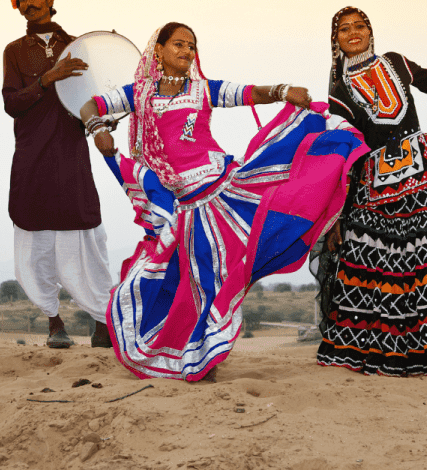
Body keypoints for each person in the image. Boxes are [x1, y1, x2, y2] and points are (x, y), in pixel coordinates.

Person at [80, 22, 368, 381]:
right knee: (182, 280)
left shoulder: (203, 90)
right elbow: (89, 105)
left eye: (191, 46)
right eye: (178, 44)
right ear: (159, 50)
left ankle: (205, 359)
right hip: (180, 205)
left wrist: (282, 91)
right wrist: (97, 128)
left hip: (222, 194)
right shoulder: (138, 94)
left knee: (214, 279)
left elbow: (248, 93)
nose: (187, 52)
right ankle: (189, 354)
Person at [313, 6, 427, 377]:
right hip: (372, 184)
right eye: (344, 29)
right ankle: (372, 350)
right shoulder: (338, 91)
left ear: (370, 31)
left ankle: (422, 347)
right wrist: (336, 215)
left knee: (420, 259)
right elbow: (342, 152)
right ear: (335, 40)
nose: (353, 33)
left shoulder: (395, 62)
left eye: (359, 26)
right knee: (373, 262)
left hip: (420, 178)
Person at [2, 0, 113, 349]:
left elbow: (91, 99)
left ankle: (101, 322)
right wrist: (47, 79)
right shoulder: (14, 51)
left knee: (86, 236)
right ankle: (54, 322)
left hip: (71, 154)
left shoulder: (79, 46)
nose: (29, 3)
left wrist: (100, 127)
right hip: (31, 155)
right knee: (35, 242)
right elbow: (11, 103)